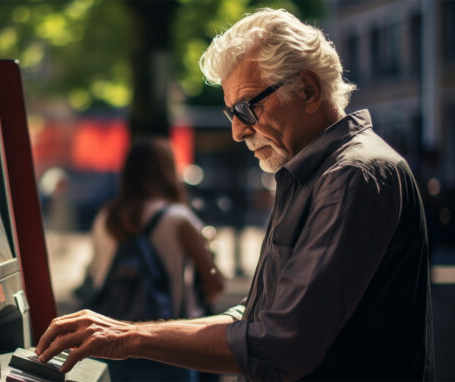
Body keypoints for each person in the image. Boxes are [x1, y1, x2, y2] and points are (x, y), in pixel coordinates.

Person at [35, 8, 434, 380]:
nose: (238, 131)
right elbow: (259, 317)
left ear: (309, 90)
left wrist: (129, 337)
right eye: (232, 112)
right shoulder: (313, 171)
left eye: (247, 107)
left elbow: (282, 342)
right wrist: (124, 334)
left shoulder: (352, 175)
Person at [83, 138, 226, 381]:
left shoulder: (105, 217)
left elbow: (95, 277)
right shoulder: (178, 218)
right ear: (167, 171)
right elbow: (215, 284)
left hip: (112, 341)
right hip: (168, 347)